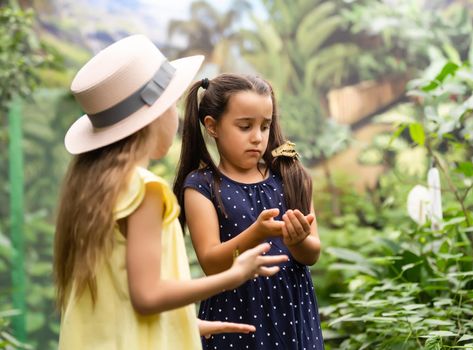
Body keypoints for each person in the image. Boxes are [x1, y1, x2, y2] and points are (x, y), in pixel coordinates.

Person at [53, 35, 288, 350]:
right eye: (172, 106)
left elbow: (119, 295)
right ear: (153, 115)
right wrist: (236, 275)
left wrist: (188, 324)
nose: (176, 118)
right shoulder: (145, 190)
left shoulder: (93, 188)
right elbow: (147, 296)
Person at [173, 73, 324, 349]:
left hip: (292, 314)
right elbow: (211, 262)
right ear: (212, 126)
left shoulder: (291, 176)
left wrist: (298, 240)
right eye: (245, 127)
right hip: (235, 315)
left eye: (265, 126)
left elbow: (311, 254)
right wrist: (257, 233)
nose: (257, 137)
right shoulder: (202, 186)